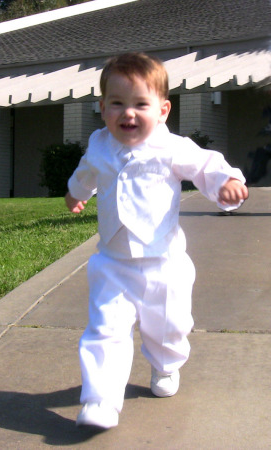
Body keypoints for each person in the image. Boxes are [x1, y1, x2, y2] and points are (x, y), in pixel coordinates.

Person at [65, 52, 248, 429]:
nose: (127, 113)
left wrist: (227, 182)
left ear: (163, 110)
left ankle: (166, 365)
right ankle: (101, 398)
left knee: (168, 326)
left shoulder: (171, 147)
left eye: (140, 104)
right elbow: (85, 172)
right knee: (106, 328)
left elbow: (204, 165)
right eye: (117, 104)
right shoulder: (99, 145)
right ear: (102, 108)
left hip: (163, 262)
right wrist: (75, 192)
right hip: (112, 263)